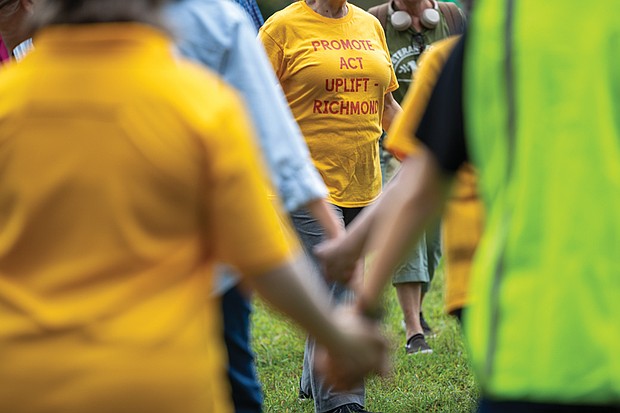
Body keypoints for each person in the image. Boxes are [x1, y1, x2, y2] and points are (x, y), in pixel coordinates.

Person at [0, 1, 391, 412]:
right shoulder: (203, 106)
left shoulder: (8, 105)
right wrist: (339, 338)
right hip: (167, 385)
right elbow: (265, 263)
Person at [319, 0, 620, 411]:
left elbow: (421, 179)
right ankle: (413, 326)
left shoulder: (497, 31)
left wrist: (362, 304)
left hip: (529, 346)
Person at [164, 1, 344, 412]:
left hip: (195, 242)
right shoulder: (220, 16)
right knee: (229, 376)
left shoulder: (219, 14)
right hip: (204, 238)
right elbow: (272, 126)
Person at [258, 1, 401, 412]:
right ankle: (342, 401)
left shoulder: (369, 24)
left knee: (331, 285)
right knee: (340, 281)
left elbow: (386, 106)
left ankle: (312, 377)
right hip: (303, 184)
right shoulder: (281, 28)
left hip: (363, 181)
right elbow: (253, 106)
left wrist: (421, 149)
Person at [368, 0, 465, 354]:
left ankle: (418, 308)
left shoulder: (452, 17)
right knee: (407, 226)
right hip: (392, 141)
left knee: (433, 241)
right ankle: (413, 330)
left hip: (442, 143)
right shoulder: (376, 20)